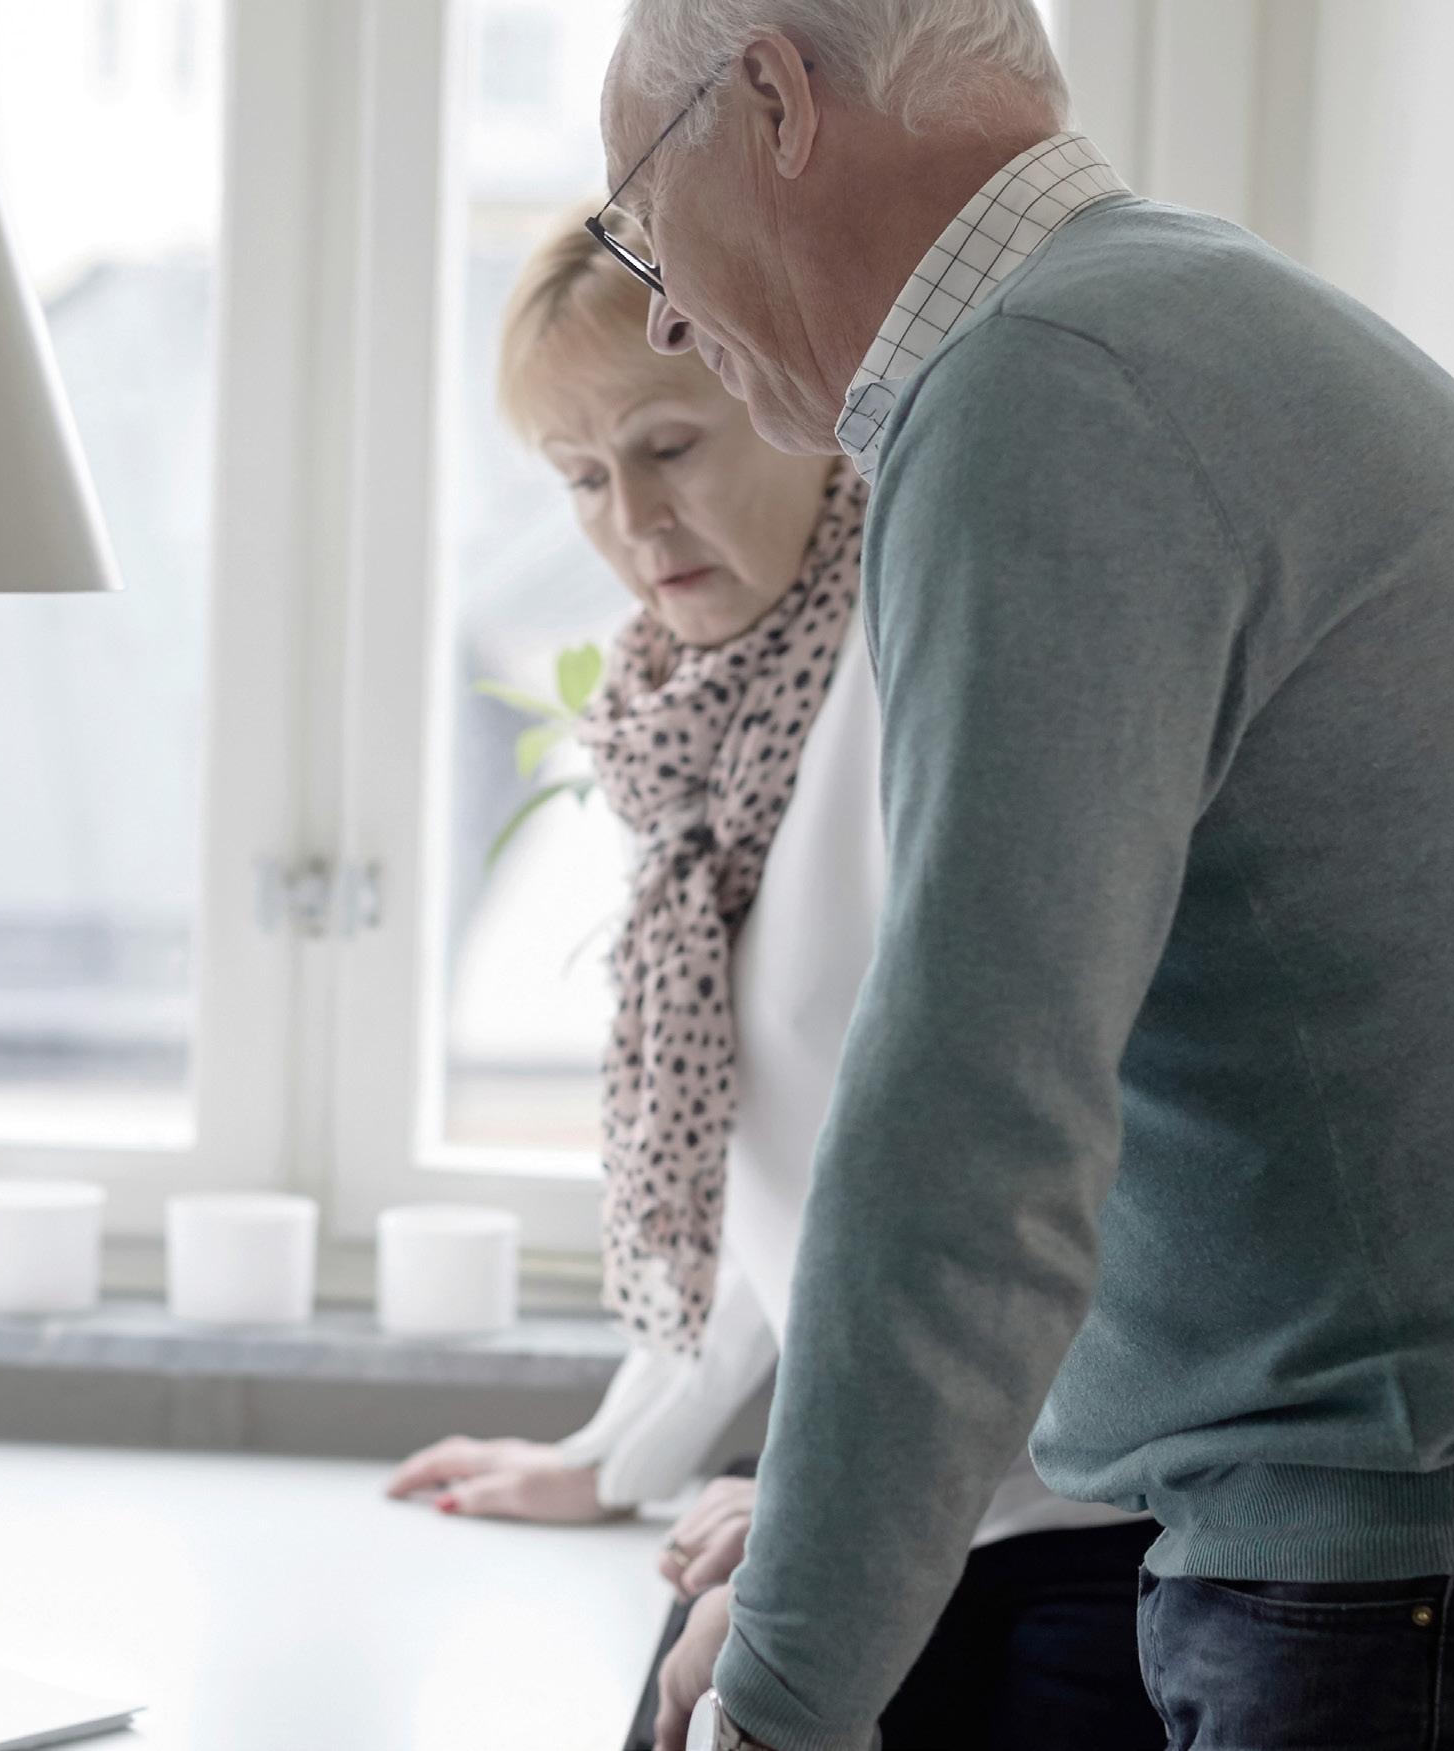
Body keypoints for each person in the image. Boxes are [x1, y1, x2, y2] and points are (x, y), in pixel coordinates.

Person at [586, 3, 1454, 1749]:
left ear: (778, 102)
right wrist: (813, 1545)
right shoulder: (1164, 318)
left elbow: (974, 1129)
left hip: (1452, 1592)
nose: (659, 308)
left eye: (642, 219)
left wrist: (780, 1695)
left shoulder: (1043, 388)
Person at [382, 213, 1160, 1751]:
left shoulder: (923, 669)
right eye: (582, 478)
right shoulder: (712, 732)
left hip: (1071, 1527)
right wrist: (615, 1458)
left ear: (791, 405)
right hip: (907, 1505)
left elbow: (971, 1173)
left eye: (669, 446)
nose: (632, 520)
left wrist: (821, 1526)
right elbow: (773, 1178)